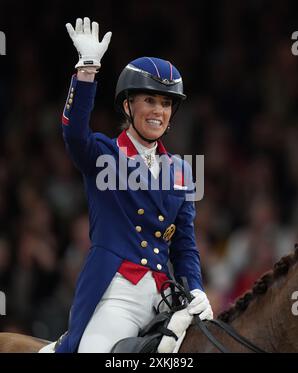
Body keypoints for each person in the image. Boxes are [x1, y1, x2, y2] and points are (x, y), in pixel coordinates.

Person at [55, 17, 213, 353]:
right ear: (128, 105)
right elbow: (73, 133)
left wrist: (197, 289)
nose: (159, 111)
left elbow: (184, 246)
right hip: (117, 296)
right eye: (150, 100)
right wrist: (86, 72)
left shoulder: (182, 171)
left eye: (167, 103)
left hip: (166, 299)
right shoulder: (104, 155)